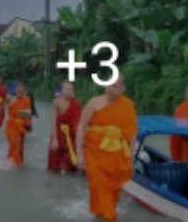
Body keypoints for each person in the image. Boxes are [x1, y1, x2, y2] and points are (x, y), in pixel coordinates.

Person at [77, 76, 136, 222]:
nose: (110, 88)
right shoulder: (94, 103)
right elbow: (81, 126)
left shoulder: (127, 105)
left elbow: (132, 131)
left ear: (122, 89)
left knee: (112, 193)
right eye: (109, 85)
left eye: (115, 86)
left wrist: (131, 155)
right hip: (94, 153)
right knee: (99, 186)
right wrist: (79, 154)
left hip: (117, 155)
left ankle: (101, 215)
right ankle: (109, 217)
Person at [48, 81, 81, 173]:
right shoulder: (56, 102)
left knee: (69, 166)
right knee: (54, 167)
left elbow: (78, 122)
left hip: (71, 136)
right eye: (66, 89)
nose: (69, 91)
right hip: (58, 134)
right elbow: (53, 121)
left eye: (71, 89)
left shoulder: (76, 103)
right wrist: (54, 139)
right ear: (61, 90)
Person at [4, 82, 33, 167]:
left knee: (20, 144)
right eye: (18, 90)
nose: (19, 92)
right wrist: (7, 101)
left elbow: (28, 113)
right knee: (12, 143)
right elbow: (6, 110)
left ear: (24, 91)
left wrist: (29, 125)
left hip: (21, 126)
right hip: (11, 126)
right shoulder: (11, 99)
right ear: (15, 91)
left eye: (21, 90)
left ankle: (19, 162)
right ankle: (11, 160)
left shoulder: (27, 100)